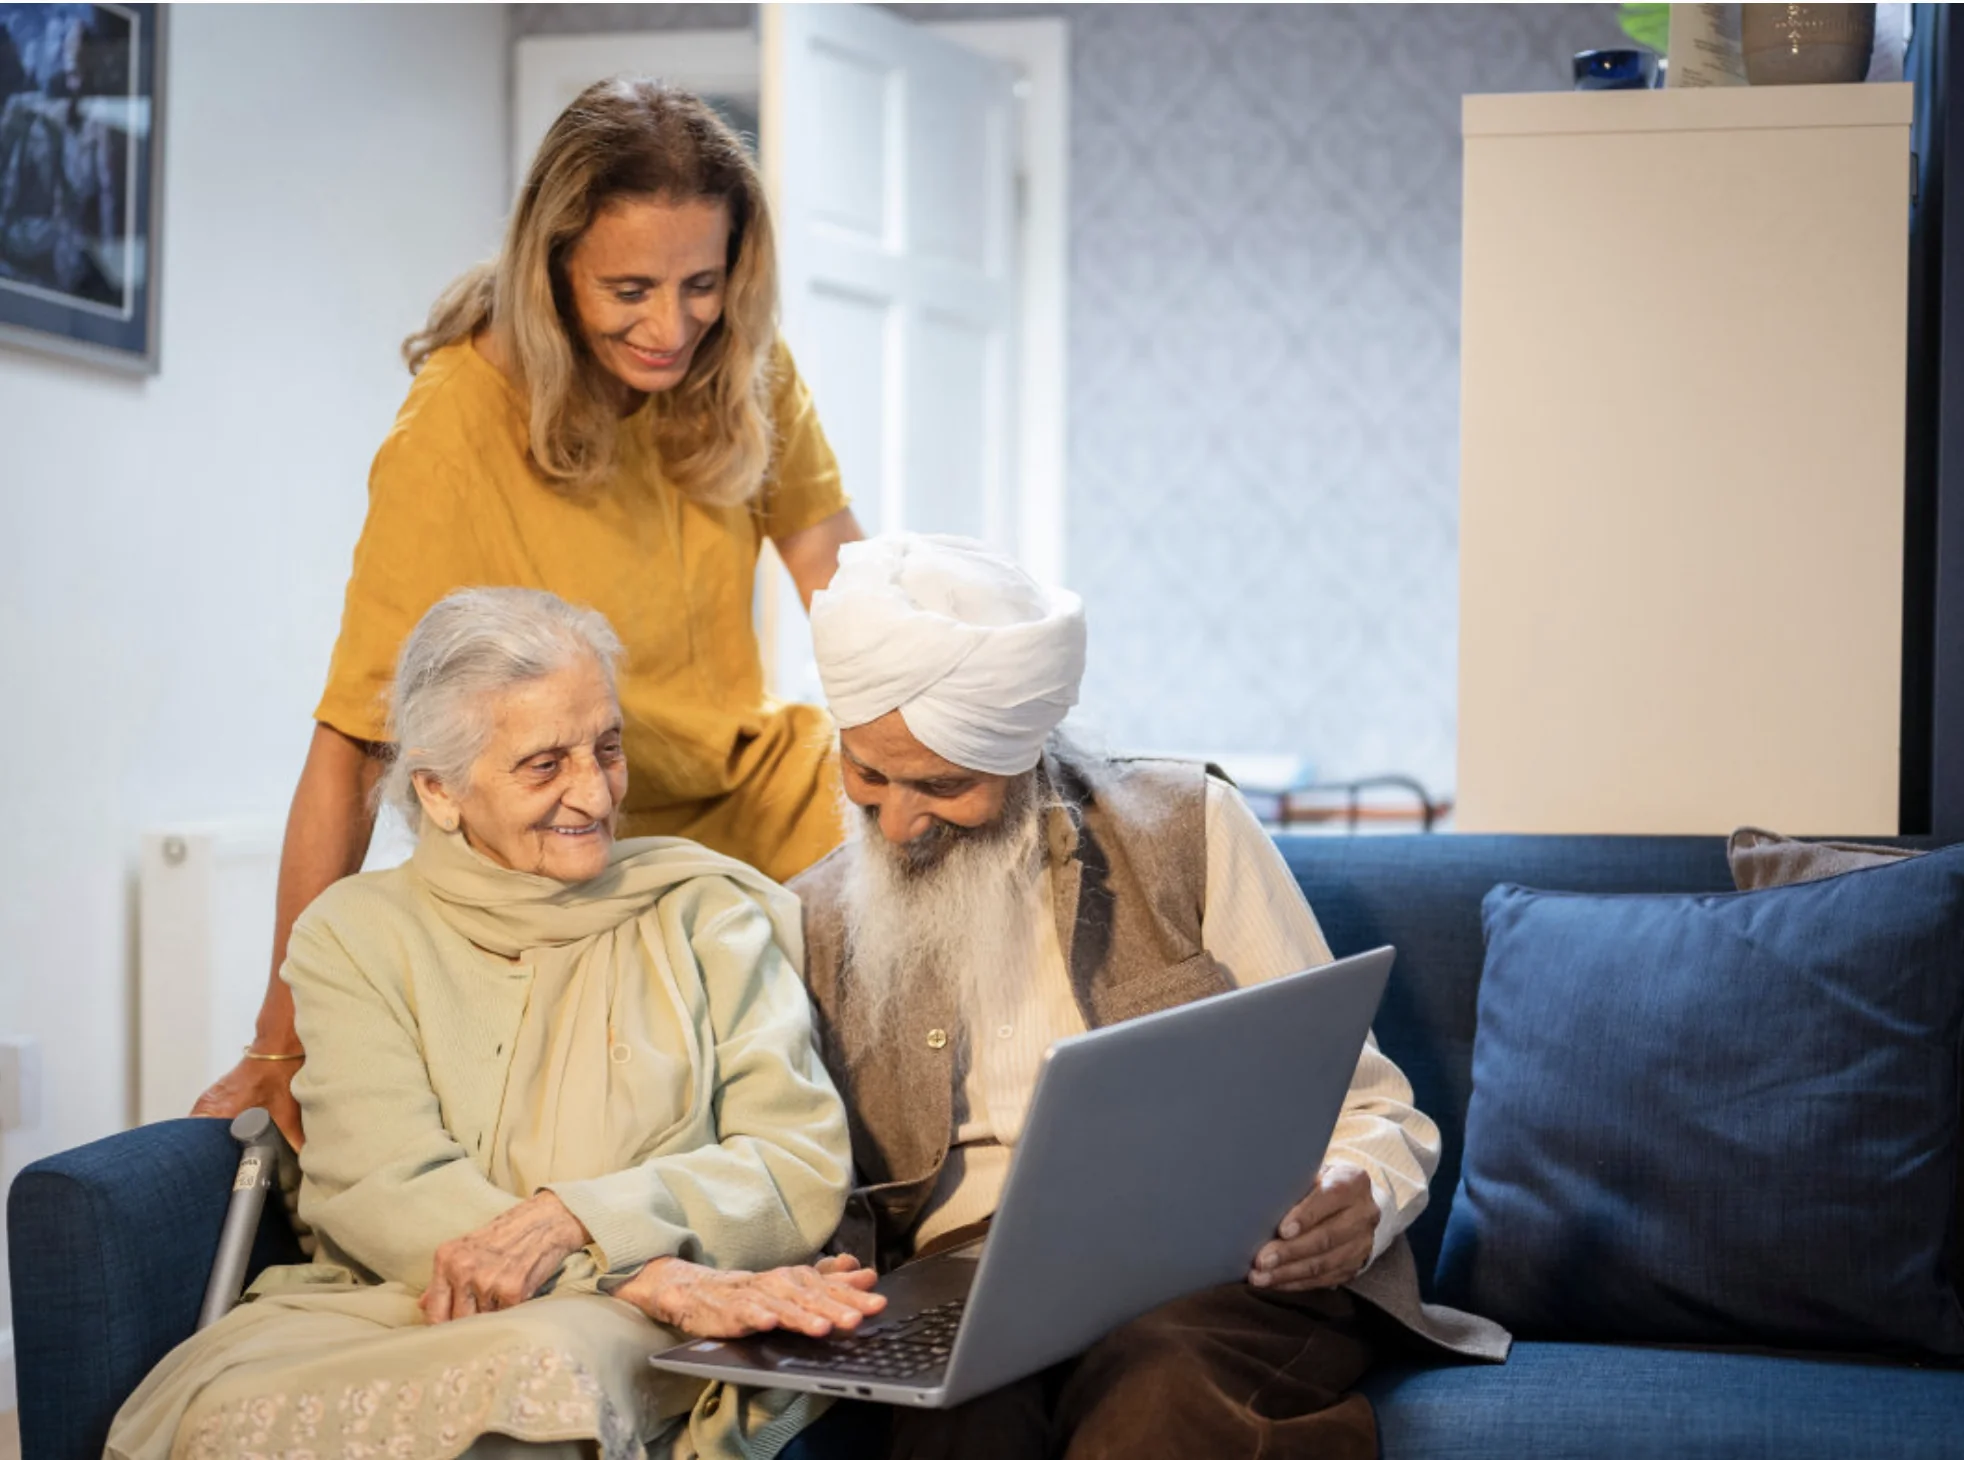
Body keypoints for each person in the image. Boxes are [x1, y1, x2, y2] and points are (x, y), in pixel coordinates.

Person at [194, 79, 863, 1145]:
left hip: (744, 783)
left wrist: (914, 740)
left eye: (701, 283)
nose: (672, 326)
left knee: (1005, 829)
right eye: (630, 289)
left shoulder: (739, 360)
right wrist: (280, 1039)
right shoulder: (452, 426)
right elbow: (357, 741)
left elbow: (832, 565)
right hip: (580, 830)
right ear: (551, 269)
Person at [110, 588, 884, 1460]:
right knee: (238, 1406)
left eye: (608, 747)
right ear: (439, 790)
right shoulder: (352, 935)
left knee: (547, 1364)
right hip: (413, 1304)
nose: (593, 792)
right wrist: (634, 1273)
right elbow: (384, 1184)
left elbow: (794, 1163)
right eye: (544, 766)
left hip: (664, 1320)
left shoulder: (705, 910)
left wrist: (578, 1219)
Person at [789, 535, 1510, 1460]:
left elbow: (1370, 1108)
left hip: (1213, 1272)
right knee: (964, 1417)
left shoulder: (1187, 827)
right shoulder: (811, 916)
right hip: (965, 1286)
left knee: (1156, 1386)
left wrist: (1361, 1193)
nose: (897, 821)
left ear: (1022, 752)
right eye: (866, 774)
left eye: (944, 784)